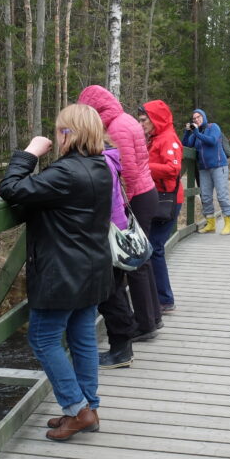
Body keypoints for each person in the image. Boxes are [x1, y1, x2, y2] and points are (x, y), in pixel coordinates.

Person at [0, 103, 113, 441]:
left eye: (61, 130)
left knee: (44, 338)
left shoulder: (66, 172)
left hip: (63, 273)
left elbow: (12, 189)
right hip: (90, 269)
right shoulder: (100, 166)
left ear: (69, 134)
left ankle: (77, 410)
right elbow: (33, 195)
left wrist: (31, 152)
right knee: (82, 337)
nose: (57, 136)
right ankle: (87, 406)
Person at [79, 85, 162, 349]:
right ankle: (151, 318)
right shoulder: (124, 120)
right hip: (145, 193)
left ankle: (145, 324)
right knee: (142, 259)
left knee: (133, 262)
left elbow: (127, 171)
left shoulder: (116, 128)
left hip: (138, 196)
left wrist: (124, 206)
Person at [96, 141, 141, 369]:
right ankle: (122, 348)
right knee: (115, 291)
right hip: (117, 229)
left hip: (110, 234)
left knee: (112, 294)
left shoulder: (101, 161)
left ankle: (121, 351)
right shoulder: (109, 158)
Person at [139, 100, 183, 314]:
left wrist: (142, 166)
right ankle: (157, 296)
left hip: (168, 200)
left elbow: (172, 169)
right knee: (151, 247)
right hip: (158, 197)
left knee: (154, 247)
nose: (141, 123)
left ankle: (164, 299)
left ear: (155, 118)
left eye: (143, 119)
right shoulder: (156, 138)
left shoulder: (167, 139)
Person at [181, 108, 230, 235]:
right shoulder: (195, 133)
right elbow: (186, 145)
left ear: (203, 117)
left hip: (219, 166)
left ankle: (228, 223)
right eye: (194, 118)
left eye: (199, 117)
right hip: (204, 168)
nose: (196, 120)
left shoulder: (213, 127)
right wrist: (188, 132)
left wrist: (197, 133)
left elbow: (212, 141)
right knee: (205, 196)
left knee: (222, 195)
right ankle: (210, 224)